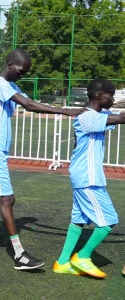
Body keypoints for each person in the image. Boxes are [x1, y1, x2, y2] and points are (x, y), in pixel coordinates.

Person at [0, 49, 83, 270]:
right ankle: (20, 255)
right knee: (7, 199)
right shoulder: (0, 84)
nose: (23, 74)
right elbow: (29, 106)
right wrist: (67, 112)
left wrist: (65, 110)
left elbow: (32, 104)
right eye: (21, 70)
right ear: (10, 65)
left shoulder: (11, 86)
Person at [53, 79, 122, 278]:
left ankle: (63, 262)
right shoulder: (88, 118)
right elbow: (121, 119)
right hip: (88, 178)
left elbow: (119, 114)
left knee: (79, 220)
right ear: (100, 95)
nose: (113, 98)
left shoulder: (97, 114)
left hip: (84, 175)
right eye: (111, 94)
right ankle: (83, 256)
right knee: (109, 220)